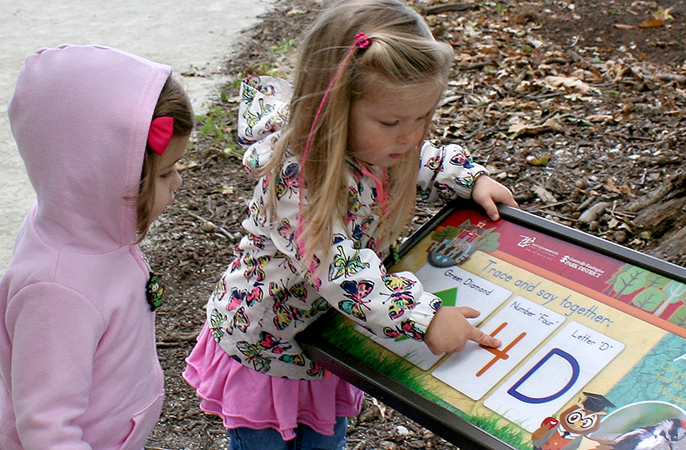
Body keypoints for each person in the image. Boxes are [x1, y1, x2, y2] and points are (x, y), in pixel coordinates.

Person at [182, 0, 518, 448]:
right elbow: (340, 271)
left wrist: (469, 178)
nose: (411, 135)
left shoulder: (381, 145)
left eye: (422, 118)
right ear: (334, 106)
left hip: (323, 339)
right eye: (393, 121)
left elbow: (426, 158)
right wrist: (424, 317)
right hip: (265, 344)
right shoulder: (298, 175)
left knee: (325, 440)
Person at [0, 45, 194, 450]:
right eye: (166, 172)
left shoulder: (87, 226)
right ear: (104, 182)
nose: (178, 183)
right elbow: (48, 428)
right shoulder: (58, 291)